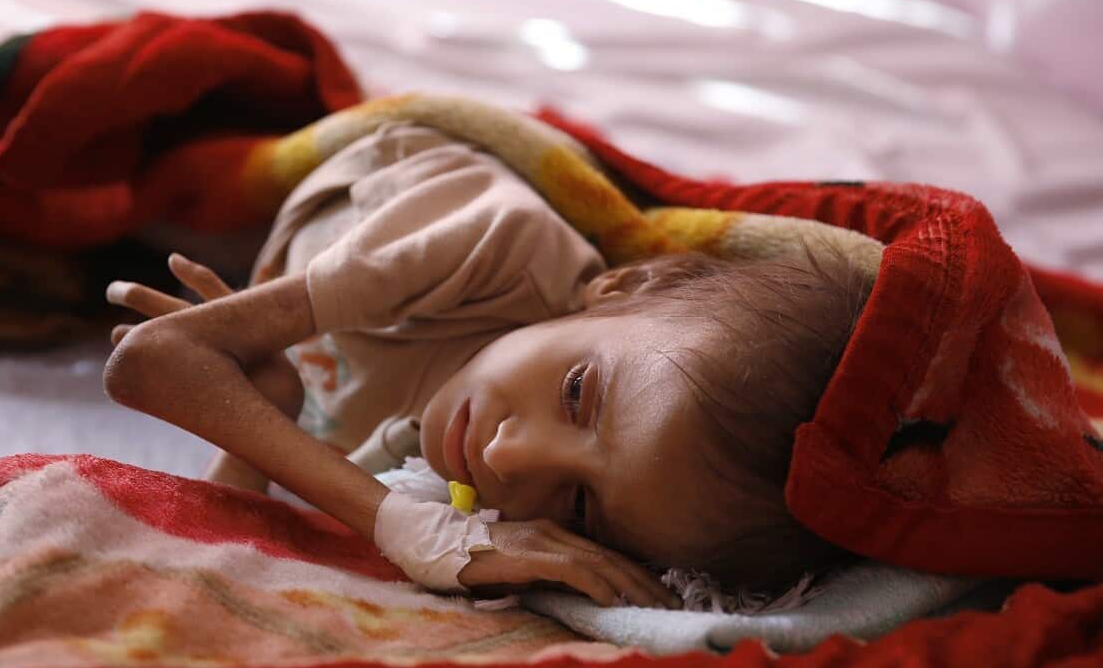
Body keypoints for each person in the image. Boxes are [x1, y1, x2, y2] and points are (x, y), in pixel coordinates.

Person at [103, 124, 868, 609]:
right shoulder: (500, 245)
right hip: (300, 181)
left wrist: (253, 426)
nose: (508, 456)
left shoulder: (448, 489)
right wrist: (405, 529)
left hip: (258, 290)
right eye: (578, 394)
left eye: (579, 509)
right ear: (624, 287)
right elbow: (154, 359)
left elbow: (209, 549)